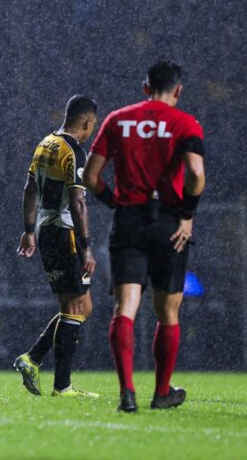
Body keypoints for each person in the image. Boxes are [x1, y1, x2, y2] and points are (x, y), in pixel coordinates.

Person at [83, 60, 205, 412]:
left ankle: (127, 391)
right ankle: (162, 391)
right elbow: (196, 173)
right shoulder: (185, 123)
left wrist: (115, 202)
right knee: (168, 311)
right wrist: (187, 215)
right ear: (178, 90)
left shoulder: (118, 119)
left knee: (125, 308)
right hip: (169, 222)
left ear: (144, 86)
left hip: (129, 220)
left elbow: (91, 176)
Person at [14, 95, 99, 398]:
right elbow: (77, 201)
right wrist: (87, 246)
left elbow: (29, 188)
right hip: (66, 233)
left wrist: (28, 230)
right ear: (87, 123)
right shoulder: (74, 150)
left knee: (79, 306)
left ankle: (32, 358)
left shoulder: (45, 143)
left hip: (45, 229)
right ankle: (62, 385)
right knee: (76, 306)